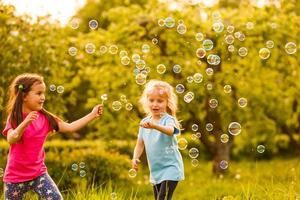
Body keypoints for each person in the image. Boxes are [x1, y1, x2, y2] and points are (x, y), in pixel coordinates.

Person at [2, 73, 103, 200]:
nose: (43, 97)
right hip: (15, 177)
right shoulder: (14, 118)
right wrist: (25, 123)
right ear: (24, 96)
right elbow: (12, 138)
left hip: (38, 174)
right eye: (38, 93)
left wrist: (92, 115)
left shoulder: (46, 118)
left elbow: (70, 127)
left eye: (43, 93)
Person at [132, 80, 184, 200]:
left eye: (160, 101)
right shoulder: (144, 123)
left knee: (162, 197)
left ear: (167, 103)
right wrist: (135, 157)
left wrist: (155, 126)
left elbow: (170, 131)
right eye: (151, 100)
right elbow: (140, 144)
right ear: (146, 101)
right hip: (156, 169)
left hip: (171, 167)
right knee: (157, 198)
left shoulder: (168, 119)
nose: (155, 104)